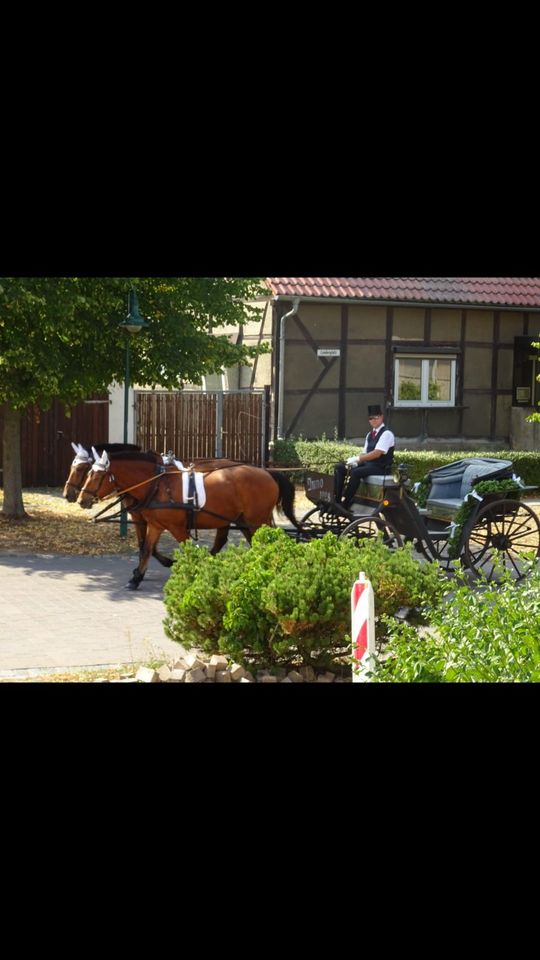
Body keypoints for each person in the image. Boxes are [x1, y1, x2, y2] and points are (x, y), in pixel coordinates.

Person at [334, 404, 395, 512]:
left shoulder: (387, 434)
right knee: (340, 467)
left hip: (381, 467)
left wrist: (358, 459)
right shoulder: (369, 435)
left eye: (376, 418)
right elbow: (365, 453)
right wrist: (355, 461)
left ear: (381, 417)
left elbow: (377, 453)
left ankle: (346, 503)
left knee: (356, 473)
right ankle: (337, 500)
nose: (374, 420)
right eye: (371, 418)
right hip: (369, 465)